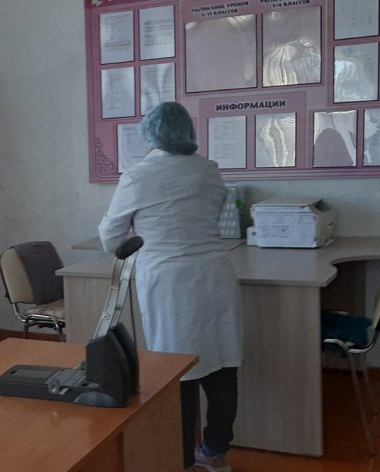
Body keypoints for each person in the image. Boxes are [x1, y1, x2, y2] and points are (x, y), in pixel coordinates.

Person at [98, 102, 244, 472]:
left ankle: (180, 460)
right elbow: (211, 216)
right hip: (217, 275)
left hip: (171, 283)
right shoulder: (209, 170)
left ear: (150, 137)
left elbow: (111, 237)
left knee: (177, 371)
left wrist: (144, 232)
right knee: (222, 365)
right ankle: (215, 454)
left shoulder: (139, 175)